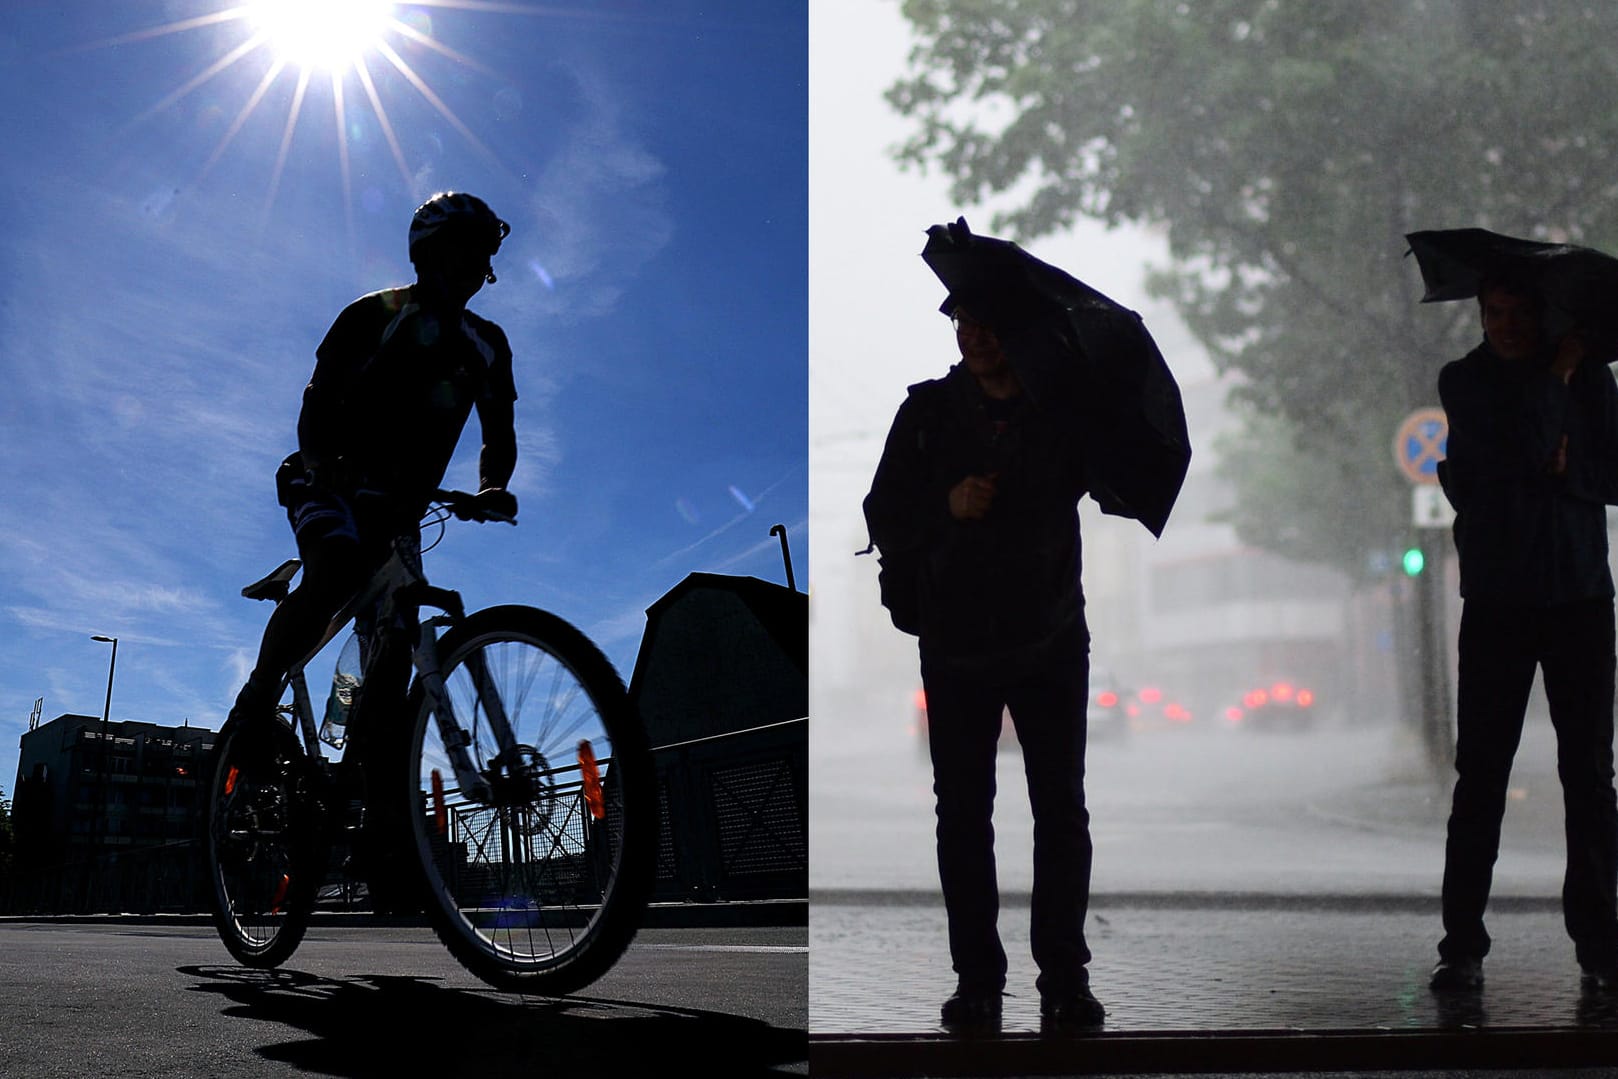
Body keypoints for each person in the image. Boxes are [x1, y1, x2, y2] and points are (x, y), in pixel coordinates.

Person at [863, 297, 1103, 1035]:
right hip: (958, 641)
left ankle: (1065, 978)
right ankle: (978, 983)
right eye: (964, 321)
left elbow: (1108, 478)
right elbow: (882, 512)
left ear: (1016, 330)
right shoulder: (929, 414)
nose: (976, 334)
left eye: (989, 321)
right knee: (964, 817)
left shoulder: (1060, 410)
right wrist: (948, 502)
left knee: (1059, 809)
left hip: (1051, 634)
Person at [229, 191, 520, 737]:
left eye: (485, 254)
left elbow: (498, 433)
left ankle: (372, 778)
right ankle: (256, 698)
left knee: (398, 635)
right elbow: (317, 402)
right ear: (427, 254)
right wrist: (324, 461)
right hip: (325, 481)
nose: (477, 265)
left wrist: (491, 487)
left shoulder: (488, 344)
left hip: (400, 510)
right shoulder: (374, 314)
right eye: (463, 249)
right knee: (334, 572)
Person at [1431, 271, 1618, 992]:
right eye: (1492, 312)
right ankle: (1462, 944)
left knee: (1590, 778)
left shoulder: (1594, 380)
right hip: (1500, 598)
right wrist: (1559, 378)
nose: (1503, 324)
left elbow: (1610, 469)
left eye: (1516, 313)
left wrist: (1561, 472)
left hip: (1578, 595)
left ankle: (1600, 945)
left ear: (1541, 313)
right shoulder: (1466, 382)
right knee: (1480, 774)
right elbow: (1500, 463)